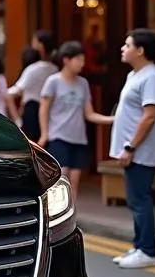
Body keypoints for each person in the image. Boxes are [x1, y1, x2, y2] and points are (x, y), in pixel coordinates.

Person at [109, 28, 155, 270]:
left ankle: (148, 250)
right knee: (134, 198)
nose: (123, 48)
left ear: (140, 50)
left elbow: (150, 116)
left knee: (139, 199)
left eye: (127, 45)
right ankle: (139, 245)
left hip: (140, 150)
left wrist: (130, 147)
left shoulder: (151, 76)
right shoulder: (135, 75)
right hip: (132, 150)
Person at [37, 41, 112, 198]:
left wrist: (112, 119)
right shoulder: (53, 81)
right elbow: (43, 109)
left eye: (83, 60)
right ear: (66, 60)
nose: (82, 64)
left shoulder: (83, 83)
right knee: (60, 180)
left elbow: (89, 113)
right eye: (79, 60)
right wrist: (45, 134)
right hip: (59, 136)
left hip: (78, 139)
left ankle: (71, 219)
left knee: (75, 182)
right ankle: (56, 219)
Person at [9, 31, 58, 140]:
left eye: (34, 42)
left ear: (41, 46)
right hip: (51, 111)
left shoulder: (33, 69)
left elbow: (14, 91)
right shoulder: (55, 69)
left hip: (33, 110)